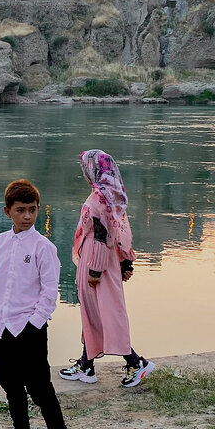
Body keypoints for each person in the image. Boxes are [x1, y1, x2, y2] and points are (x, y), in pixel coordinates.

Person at [0, 179, 73, 429]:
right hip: (0, 326)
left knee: (40, 389)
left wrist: (34, 324)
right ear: (7, 211)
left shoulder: (43, 247)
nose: (27, 216)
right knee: (10, 384)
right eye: (21, 210)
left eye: (33, 210)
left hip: (29, 328)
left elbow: (50, 292)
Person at [59, 150, 155, 388]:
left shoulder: (99, 200)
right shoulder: (114, 197)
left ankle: (135, 362)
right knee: (95, 315)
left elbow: (102, 237)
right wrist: (125, 262)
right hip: (107, 261)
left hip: (96, 261)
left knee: (105, 315)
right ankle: (86, 364)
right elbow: (122, 232)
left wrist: (94, 271)